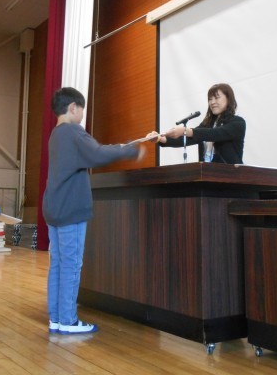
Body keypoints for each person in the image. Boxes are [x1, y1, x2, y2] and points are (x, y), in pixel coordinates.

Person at [43, 87, 146, 335]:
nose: (82, 116)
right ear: (73, 108)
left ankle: (57, 318)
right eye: (82, 110)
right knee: (71, 265)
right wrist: (132, 150)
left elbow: (93, 150)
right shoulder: (73, 131)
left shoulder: (56, 134)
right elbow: (98, 153)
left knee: (58, 264)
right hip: (70, 208)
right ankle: (68, 321)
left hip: (54, 207)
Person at [149, 83, 245, 164]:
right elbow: (187, 139)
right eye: (210, 99)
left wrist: (186, 131)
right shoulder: (207, 124)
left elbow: (215, 134)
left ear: (228, 99)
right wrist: (160, 138)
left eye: (217, 98)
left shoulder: (238, 122)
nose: (212, 102)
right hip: (206, 175)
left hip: (231, 176)